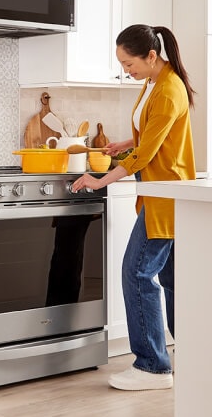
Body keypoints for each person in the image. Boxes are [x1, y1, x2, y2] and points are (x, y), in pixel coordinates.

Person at [71, 24, 196, 391]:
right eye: (123, 64)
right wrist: (123, 145)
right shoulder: (155, 82)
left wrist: (101, 179)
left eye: (129, 63)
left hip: (166, 194)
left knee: (137, 273)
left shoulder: (170, 89)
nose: (127, 70)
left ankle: (152, 367)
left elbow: (149, 152)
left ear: (151, 56)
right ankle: (191, 355)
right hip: (160, 192)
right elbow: (152, 133)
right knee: (172, 280)